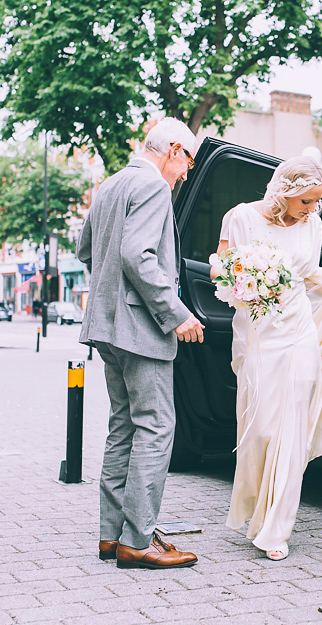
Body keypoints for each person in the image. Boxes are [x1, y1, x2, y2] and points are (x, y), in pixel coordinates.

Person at [212, 156, 322, 561]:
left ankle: (276, 529)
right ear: (284, 191)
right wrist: (240, 281)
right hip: (258, 333)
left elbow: (310, 272)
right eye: (306, 201)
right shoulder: (241, 218)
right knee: (263, 427)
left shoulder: (313, 224)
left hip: (299, 331)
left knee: (294, 429)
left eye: (317, 201)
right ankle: (255, 510)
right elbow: (219, 267)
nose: (312, 209)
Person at [77, 117, 205, 570]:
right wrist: (176, 313)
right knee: (155, 427)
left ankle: (111, 537)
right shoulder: (152, 188)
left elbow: (85, 248)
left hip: (105, 326)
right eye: (187, 161)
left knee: (122, 429)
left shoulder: (110, 185)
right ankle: (138, 540)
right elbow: (138, 255)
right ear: (172, 150)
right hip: (141, 330)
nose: (187, 172)